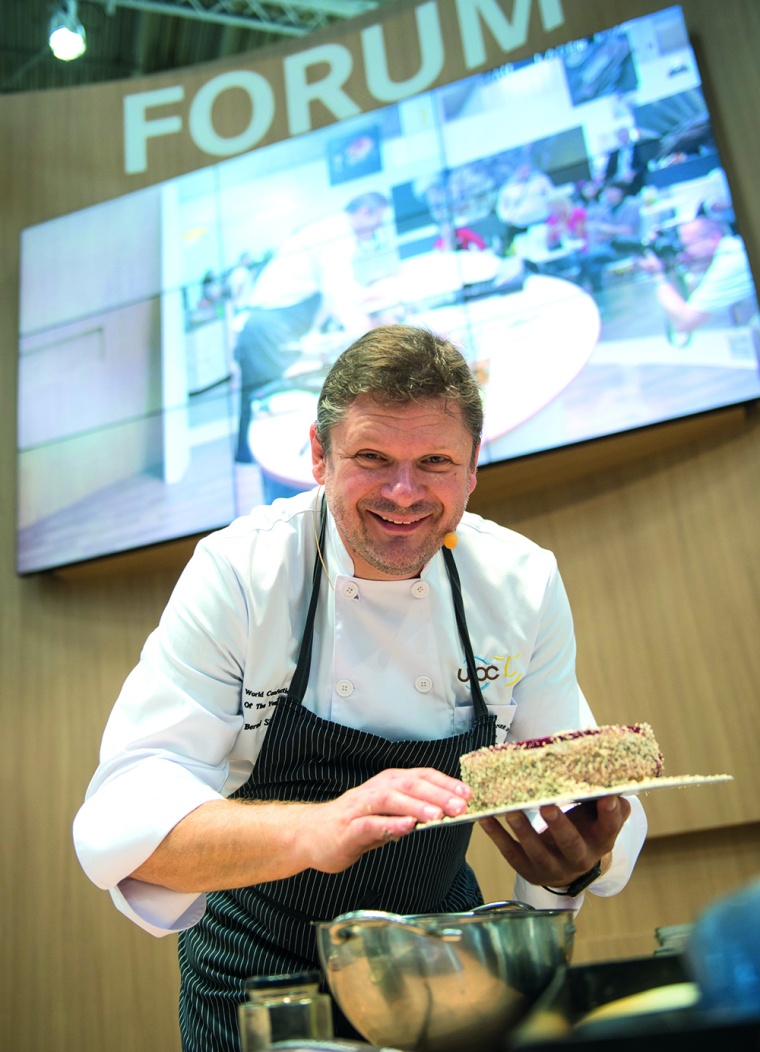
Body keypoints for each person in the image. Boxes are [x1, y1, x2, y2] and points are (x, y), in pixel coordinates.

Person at [73, 325, 647, 1051]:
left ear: (473, 469)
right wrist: (323, 828)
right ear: (318, 455)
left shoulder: (520, 584)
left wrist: (574, 864)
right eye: (372, 457)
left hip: (447, 960)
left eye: (435, 461)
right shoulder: (241, 574)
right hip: (259, 976)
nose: (404, 493)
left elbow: (571, 787)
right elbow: (124, 825)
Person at [232, 191, 394, 463]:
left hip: (270, 328)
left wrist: (364, 297)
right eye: (378, 220)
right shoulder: (335, 234)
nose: (378, 228)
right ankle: (282, 468)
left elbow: (339, 289)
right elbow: (336, 294)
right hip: (268, 330)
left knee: (267, 402)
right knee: (277, 403)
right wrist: (375, 339)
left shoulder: (332, 231)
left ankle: (267, 462)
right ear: (365, 211)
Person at [640, 216, 756, 333]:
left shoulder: (729, 261)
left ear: (714, 239)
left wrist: (658, 276)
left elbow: (685, 323)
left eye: (686, 246)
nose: (682, 256)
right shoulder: (732, 249)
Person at [578, 181, 642, 292]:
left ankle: (582, 287)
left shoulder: (632, 205)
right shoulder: (606, 208)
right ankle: (595, 289)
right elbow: (605, 233)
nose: (608, 194)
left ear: (620, 191)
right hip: (611, 245)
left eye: (611, 190)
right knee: (587, 259)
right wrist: (609, 232)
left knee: (590, 258)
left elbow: (628, 230)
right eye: (606, 191)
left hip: (627, 245)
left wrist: (607, 229)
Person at [495, 159, 556, 250]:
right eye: (522, 170)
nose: (526, 172)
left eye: (527, 169)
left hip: (543, 220)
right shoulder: (507, 188)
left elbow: (552, 195)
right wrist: (507, 218)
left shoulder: (540, 179)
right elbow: (501, 208)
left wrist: (552, 209)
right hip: (521, 225)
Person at [603, 126, 648, 198]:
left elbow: (644, 165)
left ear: (628, 134)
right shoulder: (614, 154)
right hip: (618, 184)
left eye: (624, 135)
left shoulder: (638, 147)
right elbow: (608, 172)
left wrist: (634, 172)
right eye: (620, 136)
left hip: (635, 181)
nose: (623, 137)